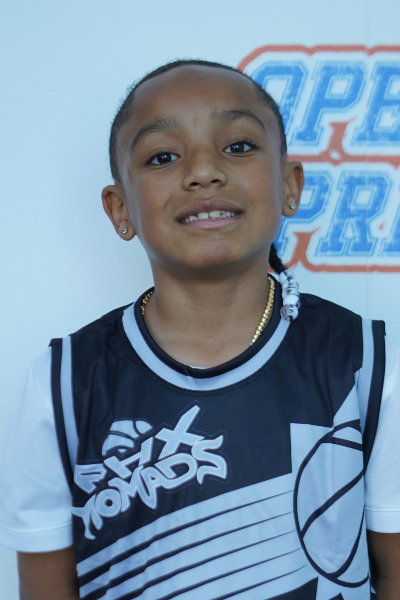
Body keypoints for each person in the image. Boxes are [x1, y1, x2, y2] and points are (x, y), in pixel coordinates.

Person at [0, 59, 399, 600]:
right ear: (120, 209)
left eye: (238, 146)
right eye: (163, 156)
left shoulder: (367, 363)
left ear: (289, 185)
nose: (204, 171)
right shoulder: (62, 384)